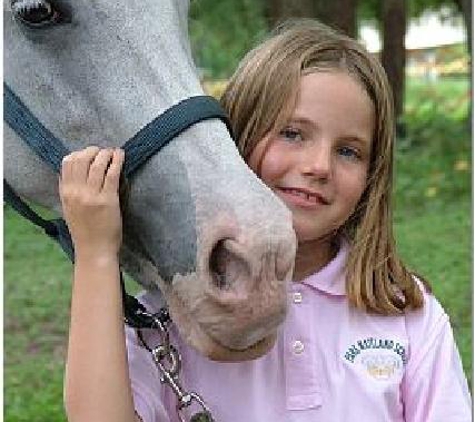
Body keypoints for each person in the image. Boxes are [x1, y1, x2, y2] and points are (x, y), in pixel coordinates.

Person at [60, 19, 471, 422]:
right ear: (233, 138)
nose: (319, 166)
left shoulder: (404, 312)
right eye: (293, 133)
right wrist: (96, 254)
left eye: (349, 151)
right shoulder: (173, 315)